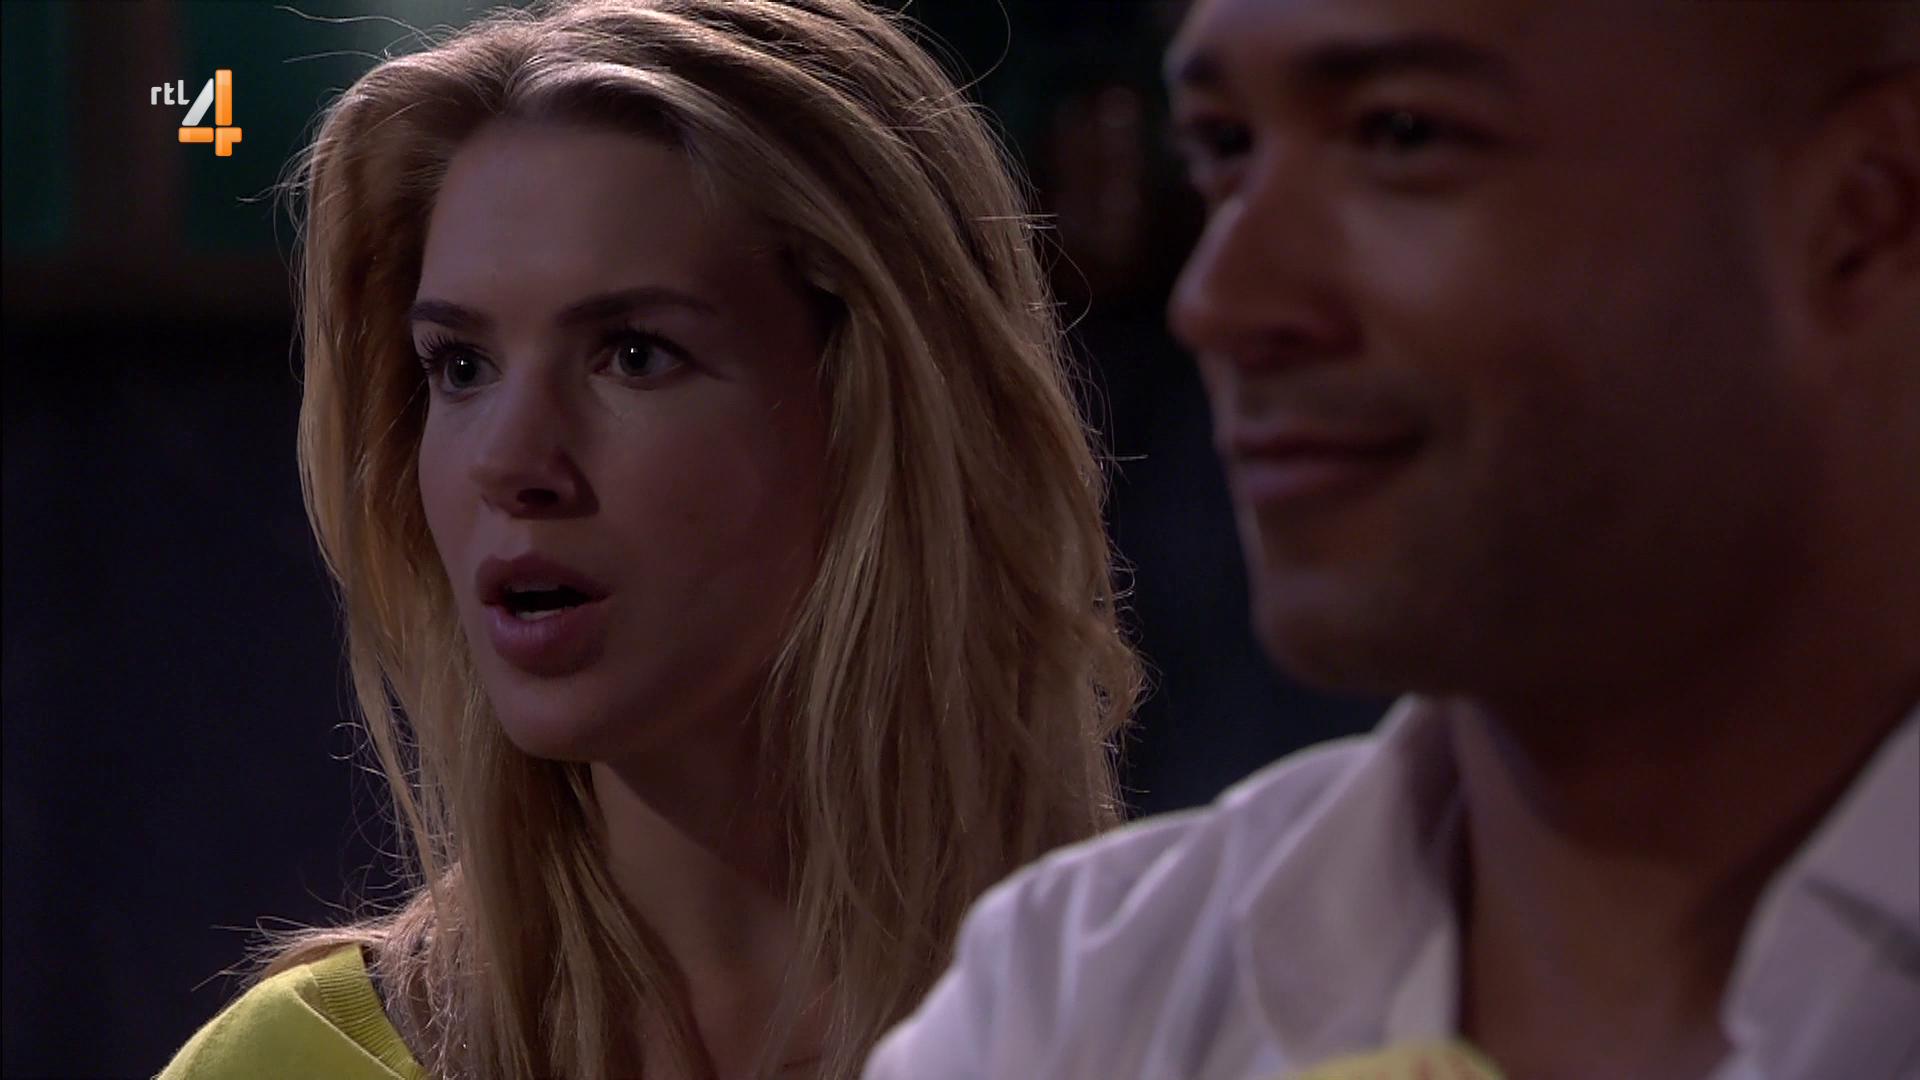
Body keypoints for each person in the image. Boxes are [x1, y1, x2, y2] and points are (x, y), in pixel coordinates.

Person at [865, 1, 1920, 1078]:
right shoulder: (1077, 1002)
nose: (1223, 301)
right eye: (1225, 147)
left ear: (1866, 207)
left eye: (1401, 135)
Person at [157, 1, 1142, 1077]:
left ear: (877, 411)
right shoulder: (287, 1062)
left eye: (633, 354)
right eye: (461, 367)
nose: (509, 459)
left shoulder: (1181, 1028)